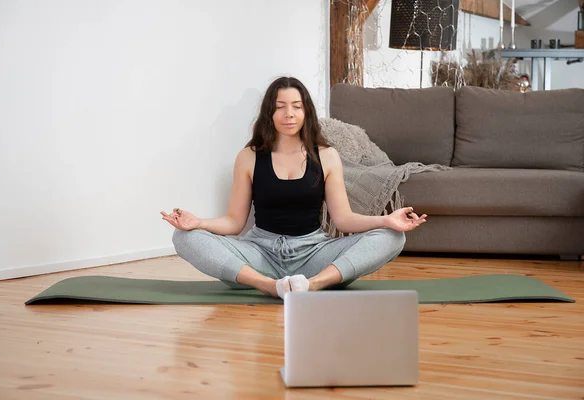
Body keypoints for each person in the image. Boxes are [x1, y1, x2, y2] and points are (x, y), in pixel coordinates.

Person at [160, 76, 426, 299]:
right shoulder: (249, 157)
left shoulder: (327, 155)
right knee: (183, 237)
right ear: (269, 113)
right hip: (259, 254)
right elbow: (234, 222)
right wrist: (197, 223)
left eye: (297, 106)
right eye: (281, 107)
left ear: (306, 111)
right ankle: (268, 286)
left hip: (312, 254)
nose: (289, 114)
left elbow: (344, 220)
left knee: (393, 237)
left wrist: (387, 221)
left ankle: (314, 284)